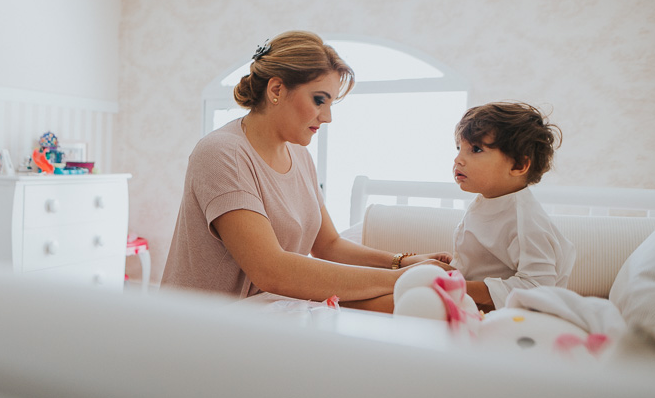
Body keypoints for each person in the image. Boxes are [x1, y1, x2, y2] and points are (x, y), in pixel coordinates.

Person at [161, 31, 450, 309]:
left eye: (331, 103)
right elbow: (271, 270)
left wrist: (401, 262)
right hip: (202, 329)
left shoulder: (299, 154)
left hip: (264, 315)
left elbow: (328, 245)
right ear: (276, 89)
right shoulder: (222, 152)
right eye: (319, 100)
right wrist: (402, 280)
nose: (327, 117)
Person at [451, 102, 575, 311]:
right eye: (458, 149)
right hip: (473, 306)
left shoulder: (526, 220)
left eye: (476, 149)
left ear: (518, 165)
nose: (458, 160)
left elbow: (537, 287)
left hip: (514, 317)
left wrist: (461, 287)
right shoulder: (488, 201)